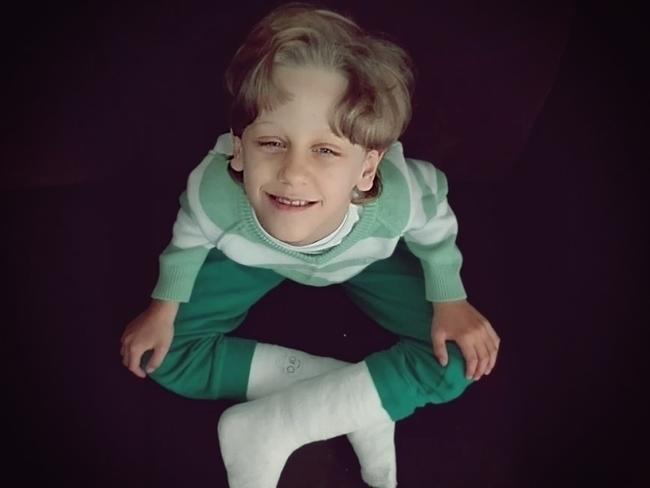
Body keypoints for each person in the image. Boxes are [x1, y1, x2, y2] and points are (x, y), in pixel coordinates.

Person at [120, 3, 500, 487]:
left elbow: (435, 224)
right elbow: (189, 236)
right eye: (271, 143)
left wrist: (451, 299)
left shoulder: (397, 200)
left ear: (367, 169)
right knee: (158, 354)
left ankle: (280, 424)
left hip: (364, 259)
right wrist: (163, 306)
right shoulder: (215, 192)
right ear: (239, 148)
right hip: (255, 257)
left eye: (325, 150)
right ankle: (356, 404)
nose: (293, 173)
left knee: (460, 358)